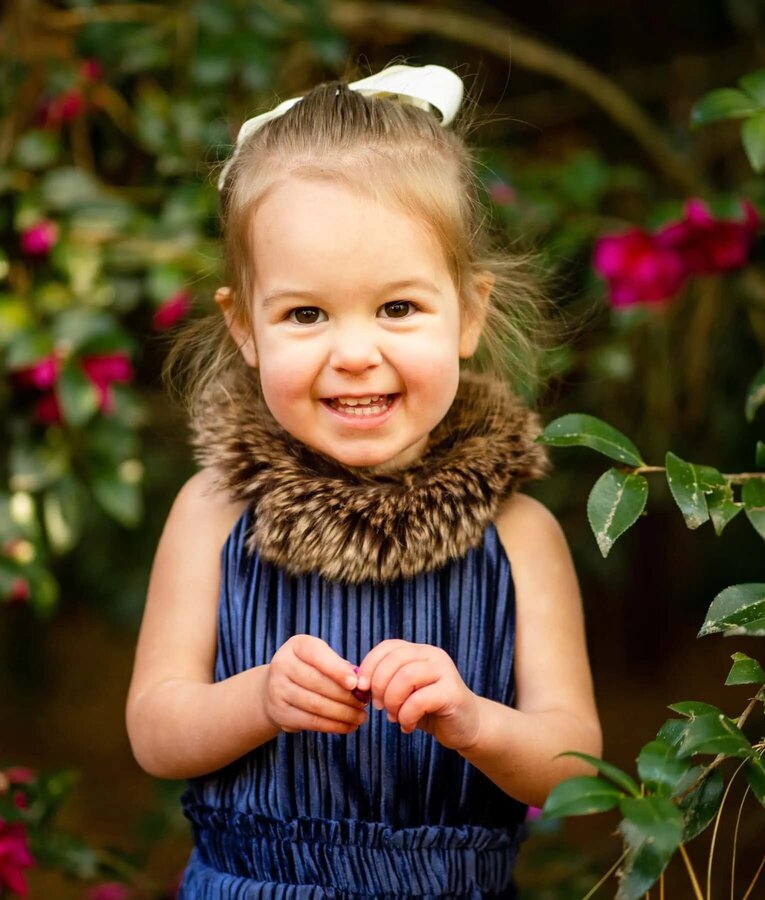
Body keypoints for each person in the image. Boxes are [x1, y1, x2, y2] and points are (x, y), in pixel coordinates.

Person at [125, 64, 601, 899]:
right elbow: (155, 732)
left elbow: (576, 773)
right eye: (306, 314)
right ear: (245, 326)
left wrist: (474, 722)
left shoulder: (518, 535)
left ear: (470, 311)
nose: (354, 352)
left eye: (397, 309)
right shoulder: (213, 512)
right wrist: (259, 699)